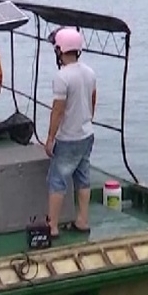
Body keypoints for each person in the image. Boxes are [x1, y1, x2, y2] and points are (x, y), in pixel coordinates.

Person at [43, 27, 97, 239]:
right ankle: (83, 221)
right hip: (87, 134)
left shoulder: (62, 77)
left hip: (68, 138)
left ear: (60, 50)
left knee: (57, 180)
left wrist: (50, 138)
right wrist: (87, 120)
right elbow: (93, 99)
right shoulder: (89, 72)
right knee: (83, 178)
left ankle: (52, 226)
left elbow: (58, 110)